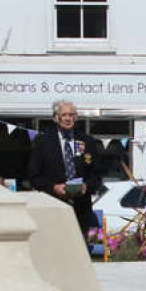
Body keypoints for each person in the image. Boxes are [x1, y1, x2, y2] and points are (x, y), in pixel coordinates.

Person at [28, 100, 104, 239]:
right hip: (53, 206)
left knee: (79, 249)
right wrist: (53, 187)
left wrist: (86, 186)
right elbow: (34, 176)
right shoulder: (43, 142)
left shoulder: (87, 141)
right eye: (64, 115)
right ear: (56, 118)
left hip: (81, 208)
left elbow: (97, 174)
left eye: (71, 115)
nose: (68, 118)